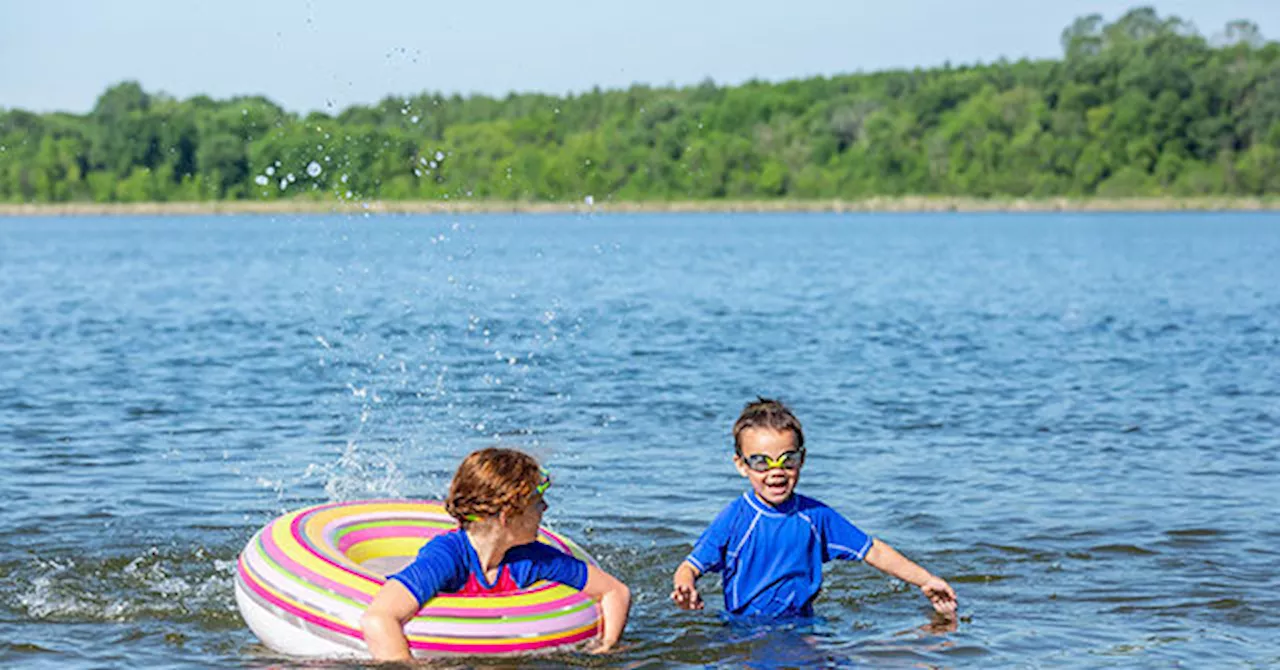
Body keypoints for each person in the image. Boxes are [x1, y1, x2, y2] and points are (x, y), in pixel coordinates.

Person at [670, 398, 957, 620]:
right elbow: (690, 566)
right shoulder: (736, 518)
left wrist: (926, 580)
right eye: (761, 462)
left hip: (803, 627)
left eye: (787, 459)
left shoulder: (816, 517)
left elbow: (873, 551)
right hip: (743, 629)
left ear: (802, 460)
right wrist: (685, 588)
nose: (776, 472)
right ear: (741, 465)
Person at [362, 447, 631, 661]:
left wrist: (605, 647)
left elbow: (615, 592)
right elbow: (379, 617)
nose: (545, 509)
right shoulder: (447, 557)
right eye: (537, 503)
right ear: (507, 517)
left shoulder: (531, 558)